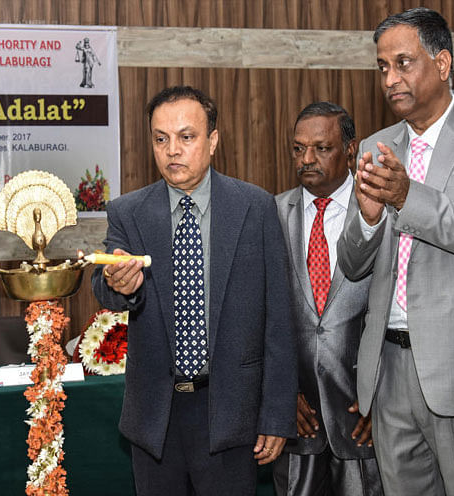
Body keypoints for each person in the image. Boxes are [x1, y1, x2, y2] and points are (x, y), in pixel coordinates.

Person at [337, 7, 454, 495]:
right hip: (390, 375)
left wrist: (406, 198)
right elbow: (353, 265)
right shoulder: (377, 145)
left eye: (403, 63)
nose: (390, 79)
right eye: (382, 68)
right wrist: (371, 218)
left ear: (442, 63)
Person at [92, 85, 297, 495]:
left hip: (231, 413)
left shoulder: (255, 208)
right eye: (161, 139)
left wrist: (276, 415)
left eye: (186, 137)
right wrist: (119, 285)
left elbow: (279, 317)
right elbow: (106, 282)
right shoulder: (128, 212)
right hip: (156, 418)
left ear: (213, 140)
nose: (172, 151)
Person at [273, 102, 382, 496]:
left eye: (322, 148)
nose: (307, 159)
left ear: (351, 151)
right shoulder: (271, 214)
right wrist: (280, 393)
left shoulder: (382, 210)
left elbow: (401, 314)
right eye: (298, 148)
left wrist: (386, 402)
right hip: (297, 421)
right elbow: (259, 317)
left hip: (365, 420)